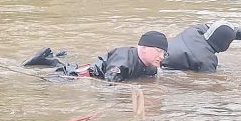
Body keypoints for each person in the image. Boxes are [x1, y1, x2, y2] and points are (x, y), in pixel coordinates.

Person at [23, 31, 169, 83]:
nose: (162, 56)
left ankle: (52, 59)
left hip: (92, 70)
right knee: (45, 82)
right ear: (143, 49)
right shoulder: (123, 61)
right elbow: (109, 85)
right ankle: (45, 61)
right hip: (81, 76)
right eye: (158, 51)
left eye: (164, 53)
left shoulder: (152, 68)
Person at [161, 20, 241, 72]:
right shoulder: (207, 60)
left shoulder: (194, 31)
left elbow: (219, 29)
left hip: (157, 55)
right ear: (224, 45)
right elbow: (210, 82)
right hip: (163, 69)